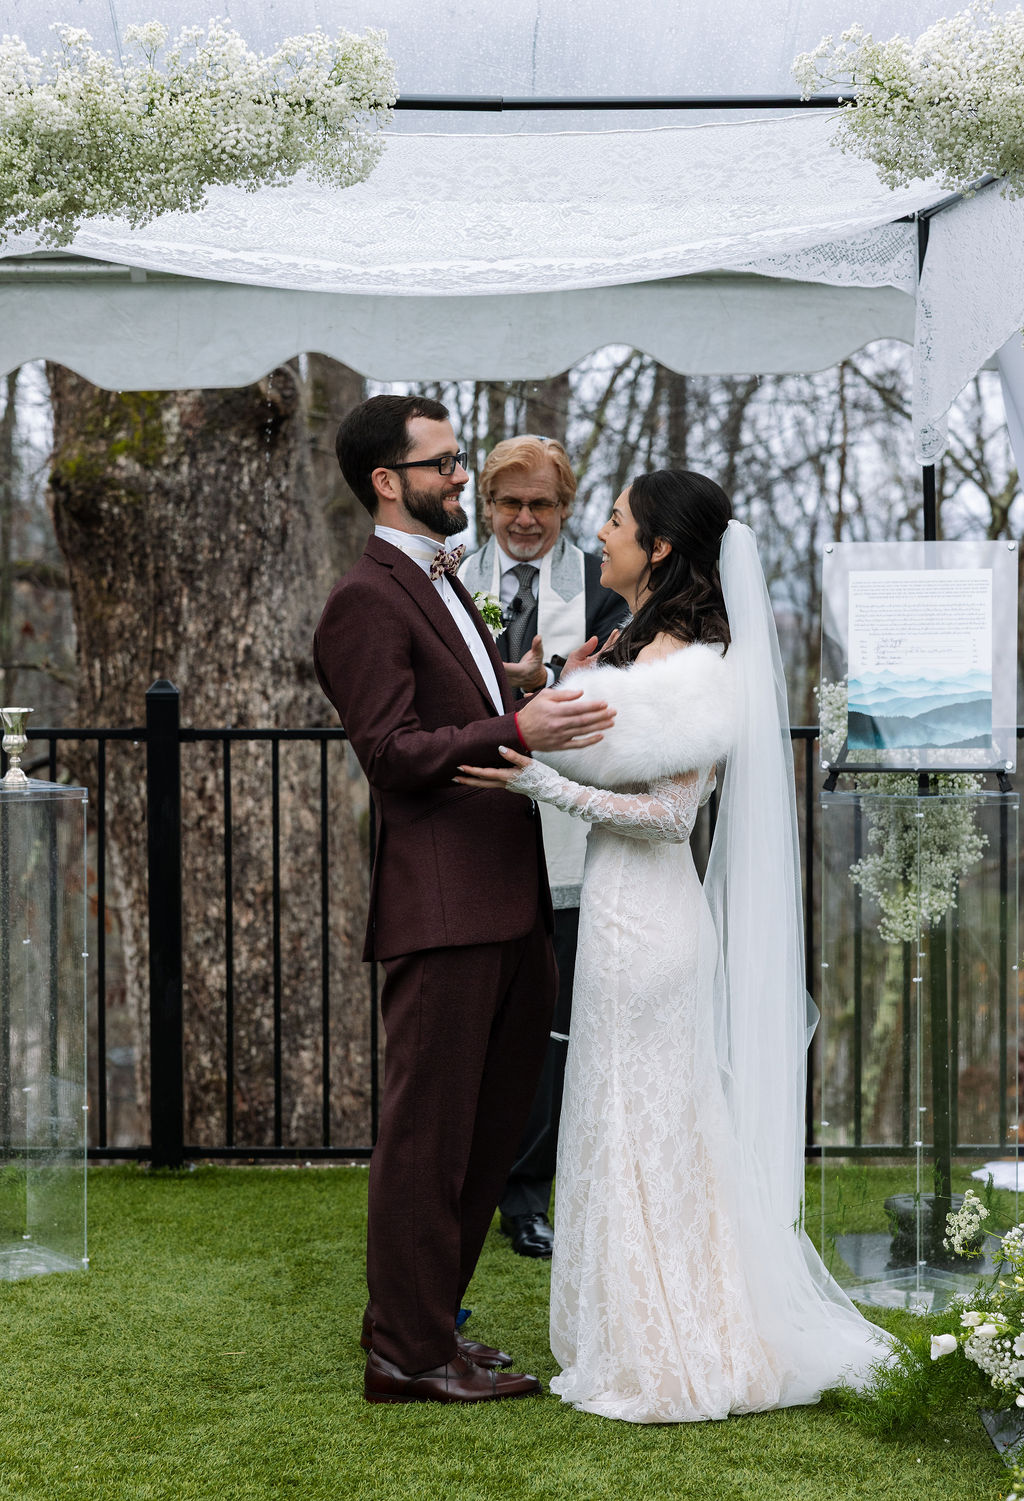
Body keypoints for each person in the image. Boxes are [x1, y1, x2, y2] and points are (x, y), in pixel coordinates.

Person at [455, 469, 892, 1422]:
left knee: (652, 1124)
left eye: (614, 521)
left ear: (657, 547)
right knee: (619, 1117)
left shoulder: (694, 662)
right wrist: (549, 685)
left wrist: (540, 784)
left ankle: (677, 1342)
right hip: (617, 908)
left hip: (649, 919)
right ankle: (631, 1322)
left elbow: (665, 815)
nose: (598, 533)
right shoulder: (630, 640)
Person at [312, 394, 616, 1406]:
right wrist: (518, 728)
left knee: (483, 1140)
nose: (460, 480)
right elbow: (392, 755)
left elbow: (458, 716)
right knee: (426, 1139)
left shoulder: (440, 581)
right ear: (387, 481)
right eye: (443, 466)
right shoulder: (366, 597)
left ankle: (436, 1329)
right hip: (444, 911)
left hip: (508, 899)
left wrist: (518, 688)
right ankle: (401, 1353)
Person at [460, 436, 627, 1258]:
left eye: (543, 505)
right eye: (509, 504)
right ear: (486, 505)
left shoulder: (603, 589)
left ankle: (525, 1194)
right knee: (469, 1017)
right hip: (467, 820)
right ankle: (457, 1181)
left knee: (549, 1024)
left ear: (566, 509)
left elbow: (619, 695)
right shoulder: (447, 577)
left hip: (566, 828)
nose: (525, 520)